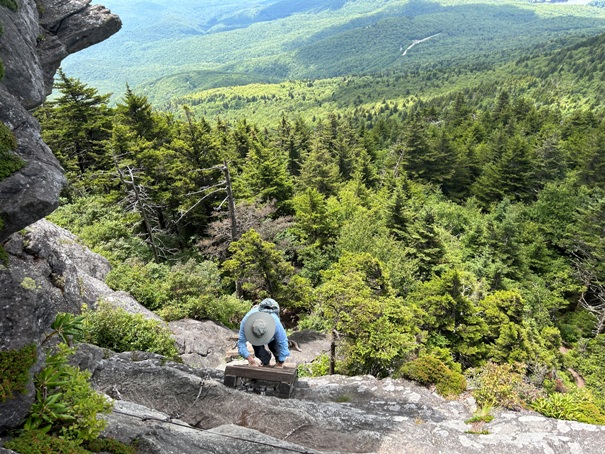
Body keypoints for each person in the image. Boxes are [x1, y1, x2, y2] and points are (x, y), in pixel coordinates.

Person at [237, 298, 290, 368]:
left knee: (276, 349)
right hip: (255, 335)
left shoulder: (276, 323)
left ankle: (278, 361)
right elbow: (241, 344)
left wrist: (280, 362)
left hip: (272, 334)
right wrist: (251, 360)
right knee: (260, 354)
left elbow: (283, 342)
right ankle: (266, 361)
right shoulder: (245, 322)